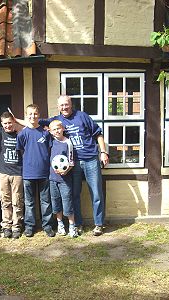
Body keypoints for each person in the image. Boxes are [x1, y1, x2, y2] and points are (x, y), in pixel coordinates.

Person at [46, 95, 109, 236]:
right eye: (61, 105)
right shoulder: (57, 121)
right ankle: (78, 224)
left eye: (66, 104)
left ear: (71, 104)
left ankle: (98, 224)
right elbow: (34, 123)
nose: (64, 107)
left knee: (96, 193)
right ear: (58, 107)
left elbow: (98, 134)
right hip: (72, 164)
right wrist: (15, 120)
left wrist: (103, 152)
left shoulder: (82, 116)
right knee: (74, 194)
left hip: (90, 159)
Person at [16, 104, 55, 238]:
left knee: (45, 201)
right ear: (26, 115)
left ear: (39, 115)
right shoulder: (22, 134)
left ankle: (47, 225)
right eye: (30, 114)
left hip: (44, 172)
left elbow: (50, 151)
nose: (33, 116)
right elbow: (20, 152)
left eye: (35, 114)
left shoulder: (46, 133)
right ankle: (29, 226)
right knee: (29, 202)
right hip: (28, 174)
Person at [0, 112, 24, 239]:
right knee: (5, 201)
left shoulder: (21, 134)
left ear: (14, 122)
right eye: (5, 123)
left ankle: (17, 226)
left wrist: (18, 121)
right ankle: (6, 225)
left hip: (17, 173)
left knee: (17, 201)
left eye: (10, 122)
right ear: (2, 123)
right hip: (3, 172)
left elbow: (31, 126)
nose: (8, 125)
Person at [48, 120, 77, 238]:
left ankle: (72, 226)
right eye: (54, 129)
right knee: (56, 202)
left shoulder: (68, 143)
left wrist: (66, 171)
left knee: (67, 202)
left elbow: (71, 162)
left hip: (65, 180)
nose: (57, 131)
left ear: (63, 128)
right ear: (50, 132)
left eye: (58, 128)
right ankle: (60, 225)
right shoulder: (51, 141)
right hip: (52, 178)